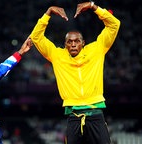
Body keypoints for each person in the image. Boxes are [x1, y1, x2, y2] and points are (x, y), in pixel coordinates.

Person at [30, 1, 120, 144]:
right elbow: (36, 37)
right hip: (73, 116)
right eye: (69, 42)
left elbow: (114, 25)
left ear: (83, 42)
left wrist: (93, 6)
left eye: (77, 41)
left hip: (96, 113)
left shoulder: (96, 50)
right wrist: (48, 13)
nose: (73, 44)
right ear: (65, 44)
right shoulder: (57, 55)